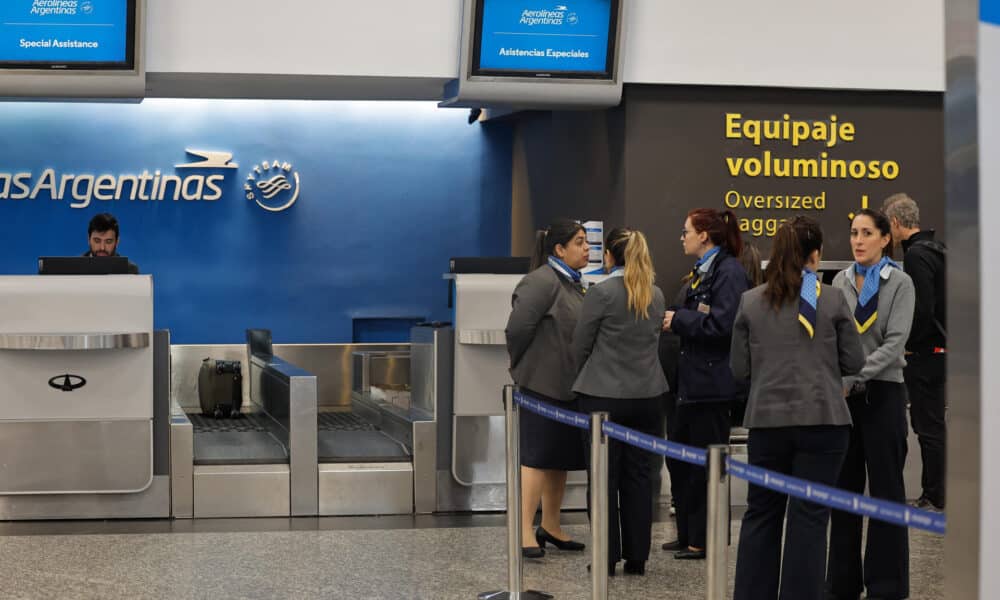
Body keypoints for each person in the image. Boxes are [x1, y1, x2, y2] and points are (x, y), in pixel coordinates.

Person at [730, 216, 864, 600]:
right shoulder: (833, 298)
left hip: (767, 422)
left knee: (761, 514)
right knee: (809, 519)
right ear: (816, 254)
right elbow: (854, 362)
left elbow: (738, 369)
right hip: (823, 421)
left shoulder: (751, 301)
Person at [827, 209, 915, 600]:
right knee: (843, 492)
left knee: (886, 493)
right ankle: (841, 583)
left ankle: (886, 585)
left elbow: (895, 343)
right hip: (844, 399)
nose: (858, 240)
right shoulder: (837, 281)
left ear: (885, 239)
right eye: (853, 233)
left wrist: (856, 376)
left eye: (866, 233)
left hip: (883, 394)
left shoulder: (900, 282)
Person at [572, 227, 668, 576]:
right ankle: (638, 556)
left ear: (609, 255)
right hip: (648, 397)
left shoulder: (602, 294)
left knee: (603, 478)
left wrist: (580, 376)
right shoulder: (655, 294)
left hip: (603, 396)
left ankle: (606, 555)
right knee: (641, 478)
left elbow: (581, 343)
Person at [661, 208, 749, 560]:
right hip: (687, 385)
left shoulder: (729, 272)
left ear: (705, 235)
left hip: (712, 387)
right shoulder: (699, 273)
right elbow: (699, 315)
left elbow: (723, 326)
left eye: (686, 231)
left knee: (705, 468)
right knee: (680, 463)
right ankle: (686, 533)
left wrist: (680, 319)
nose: (682, 237)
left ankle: (705, 538)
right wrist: (688, 317)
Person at [505, 218, 589, 559]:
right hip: (542, 386)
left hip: (570, 386)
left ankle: (551, 526)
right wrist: (525, 369)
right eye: (580, 242)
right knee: (537, 459)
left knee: (560, 460)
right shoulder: (540, 282)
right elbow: (517, 331)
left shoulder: (574, 284)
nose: (587, 249)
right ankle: (525, 529)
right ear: (559, 249)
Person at [883, 193, 947, 511]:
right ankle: (936, 492)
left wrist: (907, 344)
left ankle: (934, 495)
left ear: (895, 223)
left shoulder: (916, 256)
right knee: (933, 423)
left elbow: (921, 309)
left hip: (925, 354)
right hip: (942, 349)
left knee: (927, 426)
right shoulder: (938, 250)